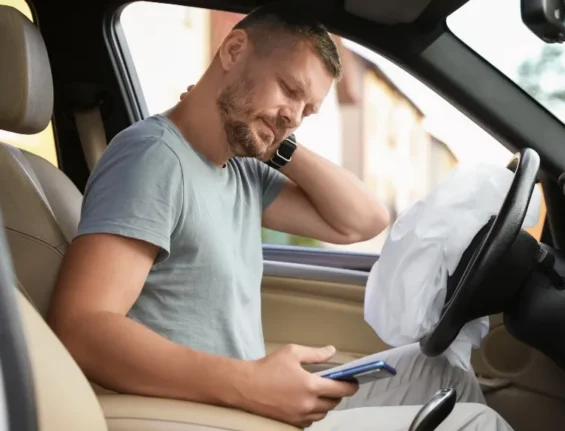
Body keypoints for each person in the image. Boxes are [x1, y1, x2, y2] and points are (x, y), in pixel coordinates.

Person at [47, 3, 513, 430]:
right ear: (233, 49)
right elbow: (81, 326)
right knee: (476, 425)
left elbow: (362, 220)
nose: (294, 117)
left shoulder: (240, 170)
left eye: (306, 111)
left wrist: (276, 140)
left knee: (441, 371)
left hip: (244, 397)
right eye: (290, 90)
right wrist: (250, 383)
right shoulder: (152, 159)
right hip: (205, 411)